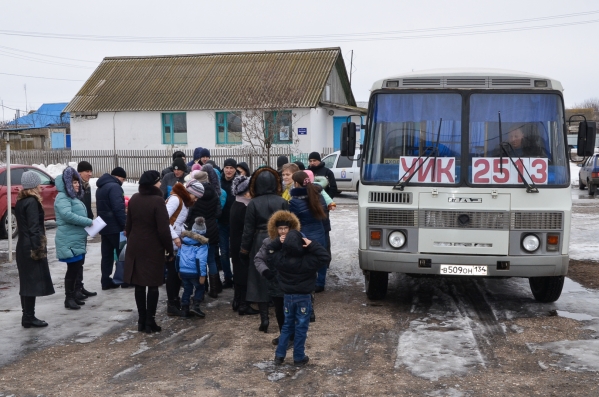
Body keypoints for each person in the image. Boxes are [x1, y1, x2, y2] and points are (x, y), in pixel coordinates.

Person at [270, 229, 330, 367]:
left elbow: (269, 252)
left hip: (287, 297)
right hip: (303, 297)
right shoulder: (309, 260)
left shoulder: (281, 259)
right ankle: (298, 356)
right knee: (301, 328)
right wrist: (311, 244)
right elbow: (325, 257)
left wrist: (277, 243)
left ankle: (279, 356)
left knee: (286, 326)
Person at [123, 170, 174, 333]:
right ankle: (150, 321)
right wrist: (169, 249)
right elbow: (163, 230)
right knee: (152, 285)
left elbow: (128, 225)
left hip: (135, 246)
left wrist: (133, 239)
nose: (160, 184)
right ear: (153, 183)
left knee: (139, 285)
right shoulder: (158, 201)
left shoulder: (135, 199)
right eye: (158, 181)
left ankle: (141, 320)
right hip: (153, 248)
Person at [240, 167, 288, 333]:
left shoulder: (253, 203)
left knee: (259, 278)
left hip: (259, 240)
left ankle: (264, 319)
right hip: (278, 239)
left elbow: (248, 229)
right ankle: (281, 317)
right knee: (278, 275)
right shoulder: (282, 201)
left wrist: (244, 250)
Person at [254, 210, 300, 346]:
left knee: (292, 311)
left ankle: (293, 336)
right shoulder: (268, 242)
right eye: (280, 228)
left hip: (292, 282)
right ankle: (284, 335)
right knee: (280, 311)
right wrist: (266, 272)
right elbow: (258, 259)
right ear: (276, 229)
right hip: (275, 282)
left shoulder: (298, 241)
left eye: (286, 228)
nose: (283, 231)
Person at [15, 171, 55, 327]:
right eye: (38, 183)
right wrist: (38, 248)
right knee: (30, 284)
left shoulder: (21, 201)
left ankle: (27, 316)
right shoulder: (32, 202)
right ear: (33, 185)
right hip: (30, 247)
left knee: (26, 283)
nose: (40, 186)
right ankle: (29, 317)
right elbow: (33, 228)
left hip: (22, 246)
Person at [54, 167, 94, 310]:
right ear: (66, 183)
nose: (77, 185)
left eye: (77, 182)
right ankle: (68, 298)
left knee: (76, 267)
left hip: (75, 238)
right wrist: (88, 222)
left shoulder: (72, 197)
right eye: (74, 182)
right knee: (72, 270)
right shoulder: (62, 197)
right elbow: (67, 215)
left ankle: (74, 294)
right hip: (68, 239)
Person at [164, 181, 203, 317]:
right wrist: (175, 237)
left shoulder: (183, 201)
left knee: (175, 273)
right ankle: (172, 304)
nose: (196, 200)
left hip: (175, 241)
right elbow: (164, 219)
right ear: (190, 192)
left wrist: (187, 235)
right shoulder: (176, 200)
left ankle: (175, 301)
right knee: (173, 274)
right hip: (169, 243)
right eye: (196, 196)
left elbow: (177, 224)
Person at [186, 170, 221, 298]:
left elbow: (188, 213)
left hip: (195, 230)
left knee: (197, 260)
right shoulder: (215, 193)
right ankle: (215, 290)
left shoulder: (195, 193)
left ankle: (202, 288)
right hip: (211, 229)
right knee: (211, 260)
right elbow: (218, 213)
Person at [229, 175, 259, 315]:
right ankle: (243, 304)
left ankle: (237, 300)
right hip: (242, 244)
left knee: (238, 271)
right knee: (244, 273)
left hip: (235, 243)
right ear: (246, 192)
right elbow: (249, 228)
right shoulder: (244, 207)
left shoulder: (237, 204)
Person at [96, 167, 127, 290]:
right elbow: (118, 208)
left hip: (104, 227)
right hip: (115, 227)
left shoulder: (101, 187)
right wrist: (125, 224)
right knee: (123, 254)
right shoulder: (115, 187)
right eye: (123, 179)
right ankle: (123, 279)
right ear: (117, 176)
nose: (123, 181)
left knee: (107, 255)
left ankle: (105, 280)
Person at [176, 217, 209, 318]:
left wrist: (178, 270)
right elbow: (201, 260)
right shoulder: (202, 245)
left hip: (184, 271)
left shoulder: (184, 242)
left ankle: (185, 309)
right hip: (195, 272)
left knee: (187, 289)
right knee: (200, 287)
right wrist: (202, 275)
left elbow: (178, 256)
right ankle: (196, 306)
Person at [75, 161, 97, 300]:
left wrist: (91, 218)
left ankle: (80, 286)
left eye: (90, 171)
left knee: (82, 258)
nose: (90, 174)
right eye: (87, 171)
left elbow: (87, 206)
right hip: (78, 227)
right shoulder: (76, 186)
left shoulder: (86, 186)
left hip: (86, 225)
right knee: (77, 259)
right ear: (80, 172)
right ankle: (75, 289)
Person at [219, 158, 238, 288]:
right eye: (227, 167)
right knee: (224, 251)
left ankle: (238, 276)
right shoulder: (218, 182)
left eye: (231, 168)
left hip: (236, 222)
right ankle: (227, 277)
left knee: (236, 251)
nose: (229, 170)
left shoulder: (239, 182)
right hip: (222, 222)